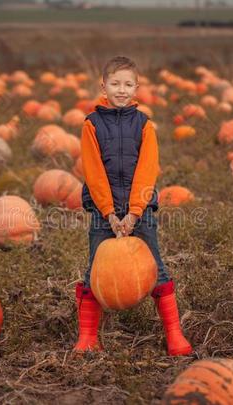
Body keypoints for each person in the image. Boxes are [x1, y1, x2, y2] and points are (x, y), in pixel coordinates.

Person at [74, 56, 192, 356]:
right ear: (103, 86)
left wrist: (135, 212)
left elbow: (148, 170)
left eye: (128, 84)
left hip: (141, 214)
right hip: (105, 215)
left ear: (137, 87)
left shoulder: (145, 125)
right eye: (115, 84)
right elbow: (93, 171)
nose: (121, 90)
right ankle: (88, 338)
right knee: (95, 272)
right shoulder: (91, 124)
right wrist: (110, 213)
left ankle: (174, 335)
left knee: (157, 269)